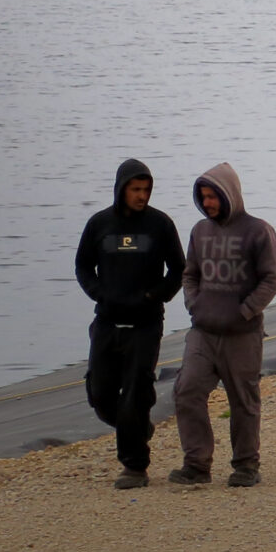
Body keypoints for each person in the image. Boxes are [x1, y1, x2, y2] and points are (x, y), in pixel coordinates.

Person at [74, 158, 184, 489]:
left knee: (135, 393)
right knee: (103, 395)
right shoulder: (99, 224)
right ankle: (137, 427)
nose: (141, 195)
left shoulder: (160, 225)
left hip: (145, 323)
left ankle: (134, 467)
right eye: (136, 189)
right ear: (121, 189)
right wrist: (98, 294)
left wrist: (155, 296)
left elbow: (178, 270)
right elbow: (82, 266)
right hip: (107, 321)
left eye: (146, 190)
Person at [171, 163, 276, 489]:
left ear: (228, 194)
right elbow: (190, 274)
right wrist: (194, 303)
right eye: (203, 197)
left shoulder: (258, 231)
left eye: (212, 196)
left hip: (242, 335)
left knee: (243, 402)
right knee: (186, 392)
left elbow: (272, 279)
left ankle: (246, 466)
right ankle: (196, 464)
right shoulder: (199, 232)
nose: (208, 203)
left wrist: (246, 311)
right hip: (203, 332)